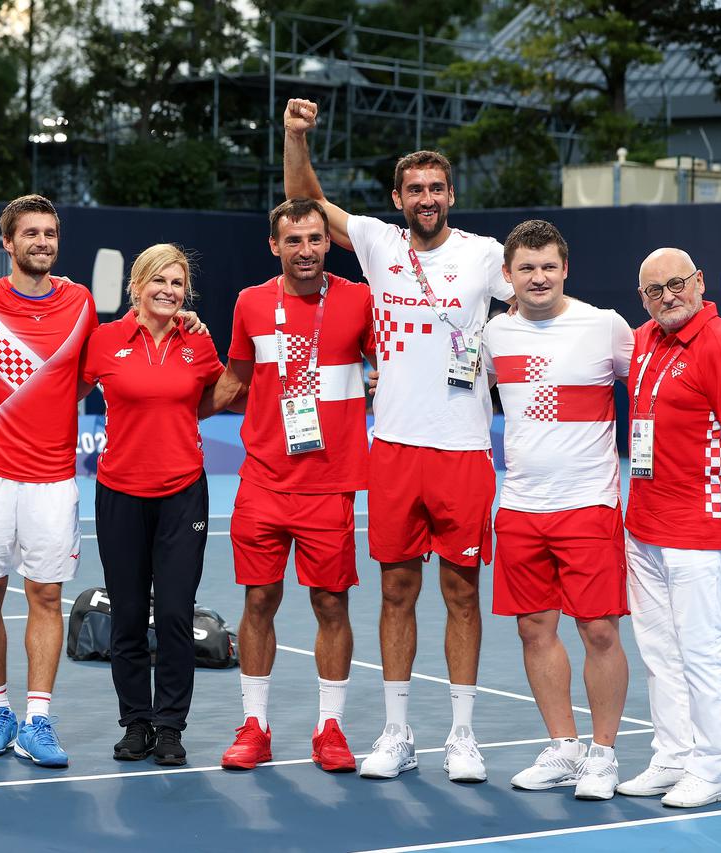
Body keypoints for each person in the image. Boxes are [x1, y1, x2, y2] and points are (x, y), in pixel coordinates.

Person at [283, 97, 513, 782]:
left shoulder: (486, 256)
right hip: (397, 449)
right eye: (414, 190)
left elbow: (539, 294)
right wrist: (297, 137)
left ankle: (463, 737)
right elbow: (307, 202)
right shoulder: (380, 244)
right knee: (396, 591)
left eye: (436, 188)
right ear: (397, 198)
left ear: (450, 195)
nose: (426, 198)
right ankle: (395, 731)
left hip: (465, 451)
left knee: (463, 593)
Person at [213, 199, 377, 774]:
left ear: (326, 242)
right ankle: (254, 726)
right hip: (261, 479)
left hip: (330, 485)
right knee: (259, 599)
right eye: (294, 240)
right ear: (274, 246)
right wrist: (165, 412)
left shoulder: (359, 298)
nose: (305, 250)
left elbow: (393, 362)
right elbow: (233, 380)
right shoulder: (251, 303)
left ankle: (330, 729)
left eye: (314, 239)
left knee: (331, 603)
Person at [481, 220, 632, 800]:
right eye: (527, 268)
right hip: (518, 506)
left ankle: (603, 754)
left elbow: (653, 385)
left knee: (598, 629)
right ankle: (564, 747)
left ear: (565, 269)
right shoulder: (495, 334)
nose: (538, 277)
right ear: (508, 276)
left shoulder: (605, 327)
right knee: (534, 628)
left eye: (548, 266)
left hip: (588, 505)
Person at [0, 195, 99, 768]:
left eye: (50, 233)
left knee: (47, 595)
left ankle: (37, 719)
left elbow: (84, 378)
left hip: (52, 479)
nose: (42, 241)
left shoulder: (81, 303)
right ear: (6, 244)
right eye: (30, 233)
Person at [617, 248, 721, 808]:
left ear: (698, 281)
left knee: (701, 650)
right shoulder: (645, 339)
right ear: (643, 299)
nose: (668, 297)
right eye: (654, 291)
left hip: (699, 529)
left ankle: (710, 767)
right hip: (644, 524)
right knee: (658, 650)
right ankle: (672, 755)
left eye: (676, 284)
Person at [82, 244, 227, 766]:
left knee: (171, 614)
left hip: (182, 494)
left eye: (178, 283)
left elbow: (219, 394)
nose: (169, 291)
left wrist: (183, 421)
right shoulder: (104, 341)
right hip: (119, 493)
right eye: (159, 281)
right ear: (136, 286)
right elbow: (70, 391)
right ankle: (135, 723)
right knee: (125, 616)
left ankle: (169, 726)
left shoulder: (198, 343)